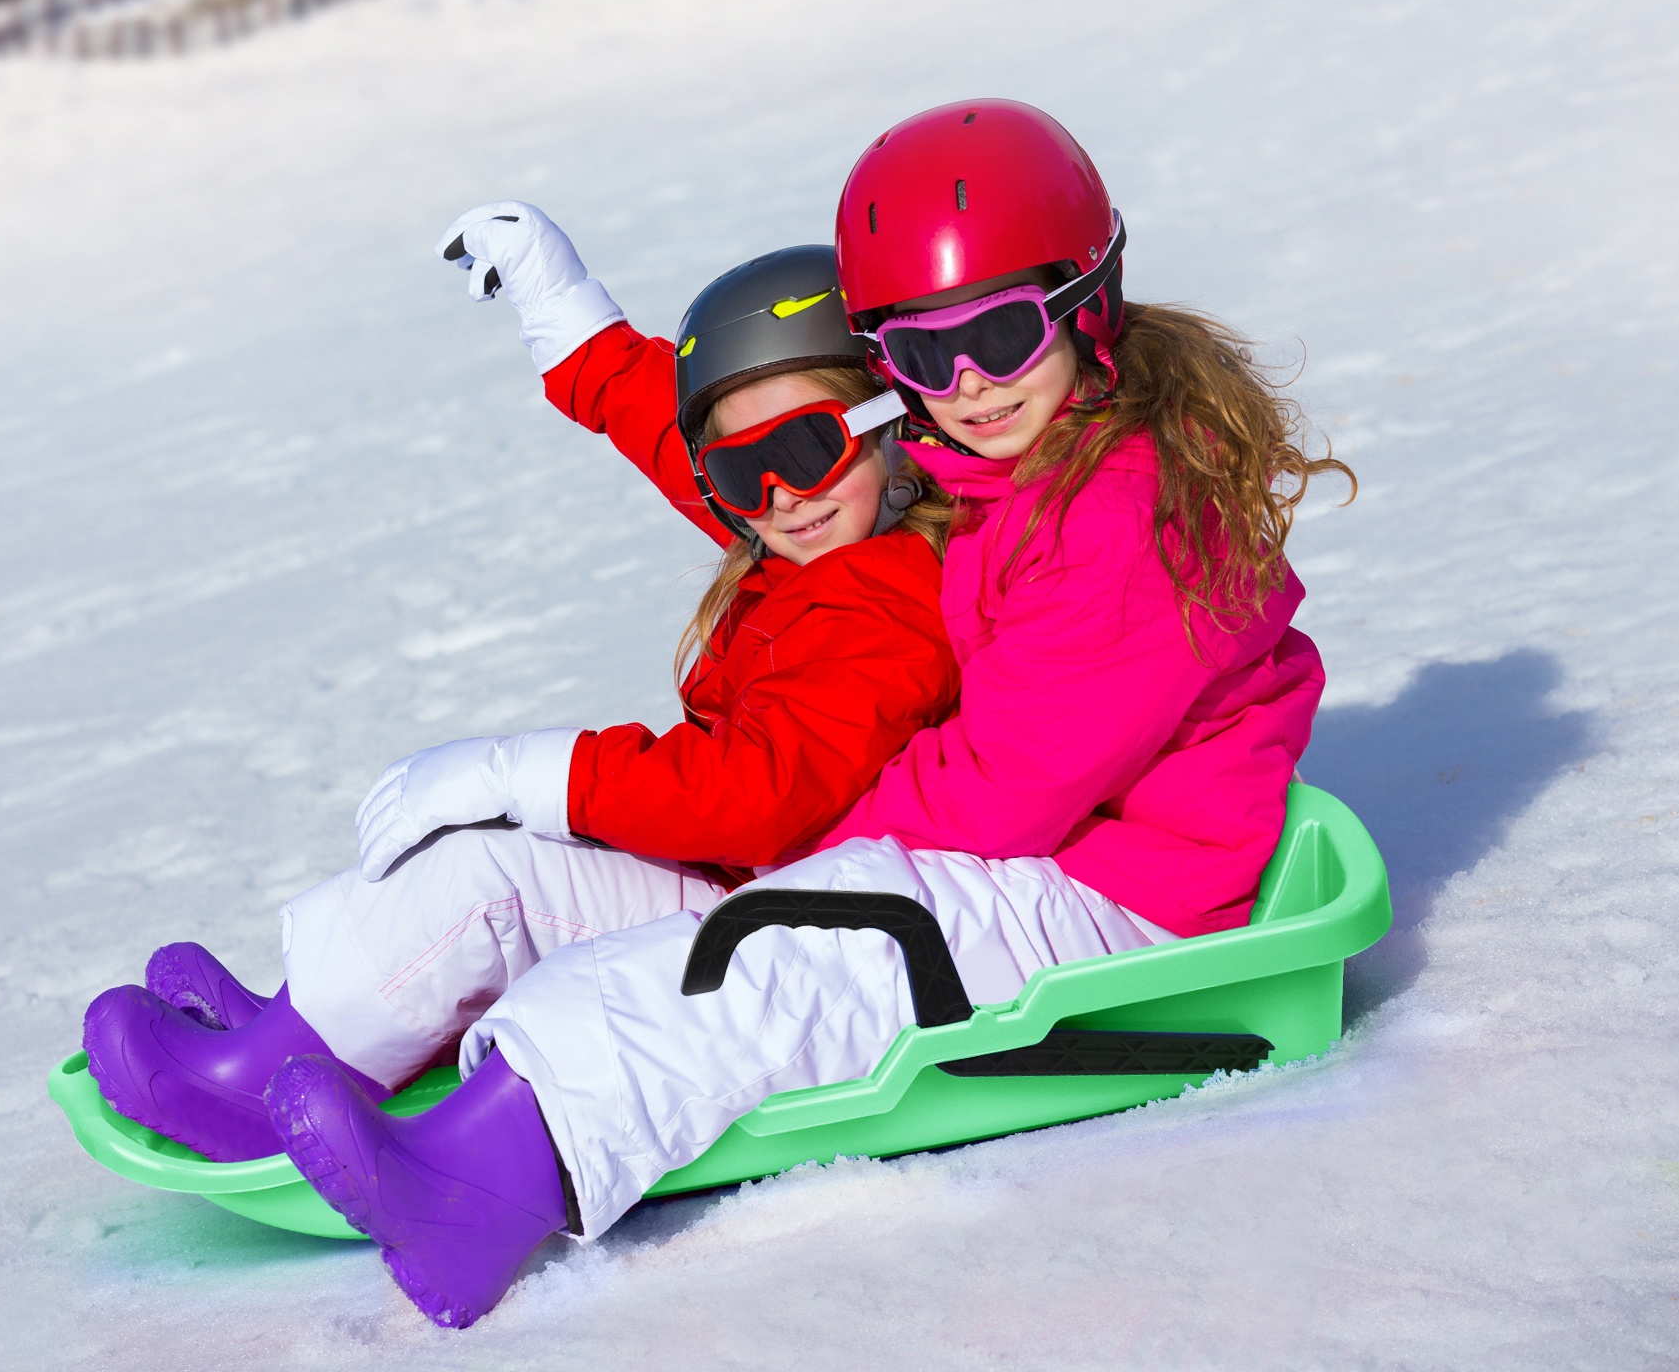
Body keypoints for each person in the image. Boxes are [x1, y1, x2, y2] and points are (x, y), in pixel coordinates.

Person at [259, 99, 1356, 1329]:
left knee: (768, 953)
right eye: (922, 355)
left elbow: (1003, 786)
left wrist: (784, 845)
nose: (968, 382)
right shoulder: (988, 446)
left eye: (999, 332)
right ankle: (281, 1058)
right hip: (1030, 839)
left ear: (1084, 299)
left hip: (1118, 888)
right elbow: (768, 462)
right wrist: (578, 333)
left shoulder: (1116, 514)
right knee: (642, 892)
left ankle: (483, 1178)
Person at [81, 203, 959, 1174]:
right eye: (740, 471)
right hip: (736, 873)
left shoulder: (885, 603)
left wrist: (534, 773)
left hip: (775, 920)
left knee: (489, 880)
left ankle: (261, 1085)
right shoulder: (829, 529)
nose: (780, 495)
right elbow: (670, 434)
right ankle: (312, 1017)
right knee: (487, 848)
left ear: (891, 422)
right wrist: (567, 315)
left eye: (805, 450)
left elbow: (756, 792)